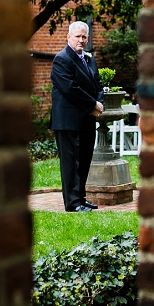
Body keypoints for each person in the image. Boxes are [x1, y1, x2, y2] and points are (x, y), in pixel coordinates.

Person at [50, 20, 104, 212]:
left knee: (84, 160)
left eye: (84, 37)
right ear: (68, 37)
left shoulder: (89, 59)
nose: (81, 40)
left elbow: (97, 85)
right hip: (68, 121)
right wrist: (92, 105)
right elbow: (70, 89)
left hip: (87, 120)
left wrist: (100, 102)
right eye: (77, 37)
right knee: (71, 164)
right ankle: (72, 203)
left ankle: (81, 198)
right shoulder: (62, 59)